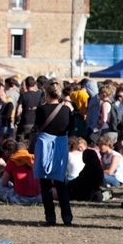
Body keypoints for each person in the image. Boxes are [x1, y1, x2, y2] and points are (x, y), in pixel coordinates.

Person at [33, 81, 74, 226]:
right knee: (60, 182)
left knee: (45, 183)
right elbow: (69, 127)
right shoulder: (66, 110)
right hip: (61, 145)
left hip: (45, 144)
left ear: (46, 93)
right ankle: (67, 216)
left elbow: (37, 125)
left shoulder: (41, 109)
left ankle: (50, 216)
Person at [0, 139, 42, 204]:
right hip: (38, 198)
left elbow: (3, 183)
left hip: (20, 198)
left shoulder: (13, 161)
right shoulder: (33, 159)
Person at [16, 76, 44, 141]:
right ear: (34, 84)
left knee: (21, 142)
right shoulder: (39, 94)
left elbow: (18, 110)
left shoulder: (23, 95)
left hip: (25, 123)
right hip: (35, 123)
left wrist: (17, 120)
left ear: (26, 84)